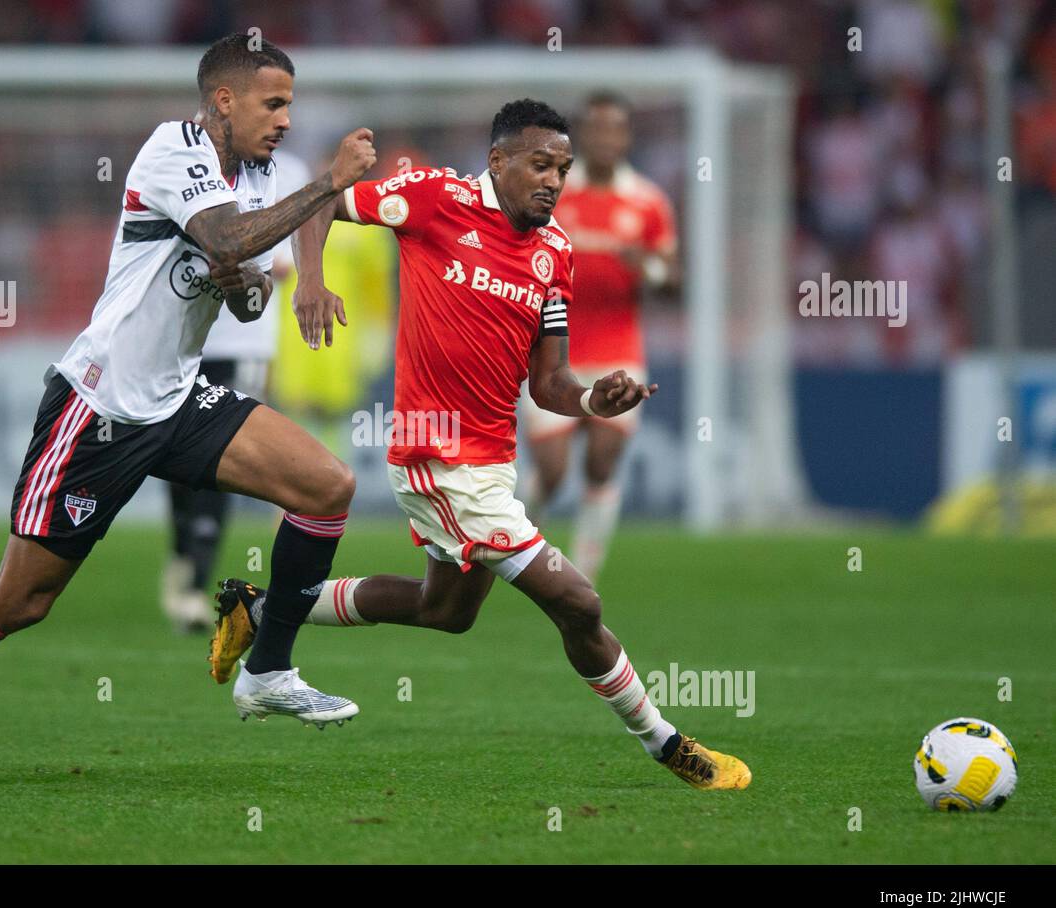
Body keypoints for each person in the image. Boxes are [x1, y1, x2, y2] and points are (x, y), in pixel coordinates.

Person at [0, 33, 376, 785]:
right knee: (20, 601)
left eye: (291, 105)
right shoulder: (172, 150)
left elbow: (238, 280)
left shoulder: (261, 171)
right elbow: (229, 235)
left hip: (177, 396)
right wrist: (326, 185)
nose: (285, 120)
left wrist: (256, 285)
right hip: (100, 406)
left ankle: (267, 669)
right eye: (273, 104)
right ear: (224, 101)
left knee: (326, 485)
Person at [212, 99, 749, 790]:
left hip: (491, 464)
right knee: (579, 604)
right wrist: (310, 282)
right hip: (436, 457)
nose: (553, 180)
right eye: (539, 164)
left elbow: (549, 382)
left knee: (446, 611)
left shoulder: (554, 252)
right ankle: (667, 743)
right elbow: (320, 201)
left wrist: (591, 399)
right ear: (498, 161)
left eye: (562, 167)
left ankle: (262, 607)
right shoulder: (436, 198)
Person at [518, 91, 679, 582]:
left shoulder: (648, 201)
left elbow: (674, 280)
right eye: (597, 128)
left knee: (603, 463)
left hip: (617, 350)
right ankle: (511, 543)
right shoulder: (554, 190)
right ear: (583, 135)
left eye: (615, 128)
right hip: (551, 349)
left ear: (626, 136)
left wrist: (647, 268)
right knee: (552, 468)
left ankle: (583, 575)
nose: (606, 137)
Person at [160, 153, 311, 634]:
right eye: (270, 105)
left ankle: (195, 581)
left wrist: (241, 257)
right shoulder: (191, 161)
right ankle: (183, 551)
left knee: (220, 456)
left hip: (244, 342)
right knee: (168, 452)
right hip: (182, 337)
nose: (278, 120)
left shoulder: (291, 174)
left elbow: (287, 265)